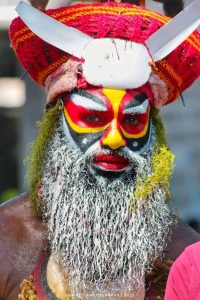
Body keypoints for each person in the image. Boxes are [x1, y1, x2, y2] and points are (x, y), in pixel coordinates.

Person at [0, 1, 200, 299]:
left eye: (132, 121)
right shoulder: (7, 241)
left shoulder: (184, 256)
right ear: (57, 125)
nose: (115, 139)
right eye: (93, 117)